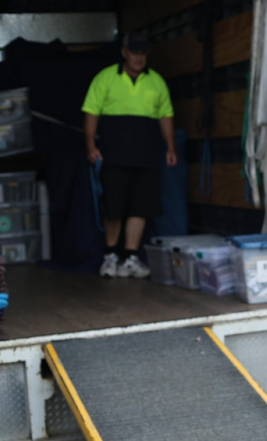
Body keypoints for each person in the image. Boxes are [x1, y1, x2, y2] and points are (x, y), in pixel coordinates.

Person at [82, 31, 177, 278]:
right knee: (113, 208)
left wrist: (170, 147)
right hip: (113, 154)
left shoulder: (156, 81)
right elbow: (91, 112)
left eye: (143, 53)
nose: (138, 57)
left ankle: (131, 258)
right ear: (124, 52)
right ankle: (110, 256)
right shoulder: (105, 78)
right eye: (134, 52)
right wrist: (91, 146)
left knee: (140, 208)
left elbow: (166, 115)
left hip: (146, 155)